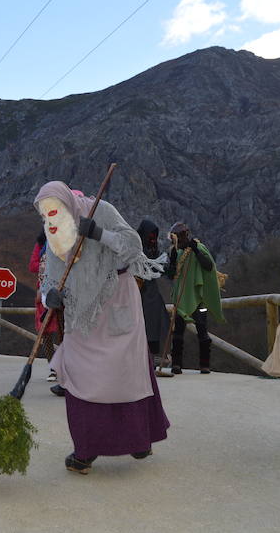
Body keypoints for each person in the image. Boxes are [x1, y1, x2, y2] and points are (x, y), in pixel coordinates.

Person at [36, 180, 169, 475]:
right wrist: (50, 297)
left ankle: (139, 440)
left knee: (126, 373)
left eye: (53, 209)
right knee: (83, 377)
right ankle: (85, 450)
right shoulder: (54, 231)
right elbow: (49, 279)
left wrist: (99, 233)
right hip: (81, 315)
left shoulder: (103, 211)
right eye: (45, 213)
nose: (50, 217)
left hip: (117, 299)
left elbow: (132, 248)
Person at [165, 222, 225, 375]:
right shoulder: (174, 253)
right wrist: (172, 262)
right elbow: (171, 275)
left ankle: (205, 365)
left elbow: (209, 267)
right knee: (177, 333)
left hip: (199, 298)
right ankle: (176, 364)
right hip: (181, 297)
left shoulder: (198, 248)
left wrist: (196, 250)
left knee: (202, 331)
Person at [29, 229, 62, 382]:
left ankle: (67, 366)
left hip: (63, 291)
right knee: (46, 333)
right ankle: (53, 368)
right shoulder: (41, 244)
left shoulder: (65, 242)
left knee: (64, 332)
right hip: (43, 291)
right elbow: (33, 265)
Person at [136, 220, 170, 361]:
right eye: (149, 236)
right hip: (138, 295)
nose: (152, 239)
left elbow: (163, 269)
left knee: (154, 327)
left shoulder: (154, 251)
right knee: (141, 329)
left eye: (154, 236)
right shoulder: (136, 250)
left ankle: (151, 361)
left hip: (152, 297)